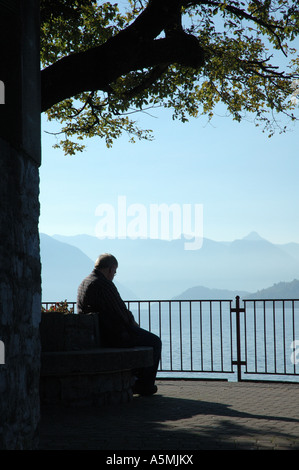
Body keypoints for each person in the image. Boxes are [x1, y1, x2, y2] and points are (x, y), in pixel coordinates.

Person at [77, 253, 162, 396]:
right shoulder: (103, 284)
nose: (114, 275)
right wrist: (133, 324)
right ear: (110, 268)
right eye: (114, 272)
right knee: (154, 342)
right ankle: (144, 384)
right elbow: (119, 310)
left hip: (97, 333)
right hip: (113, 335)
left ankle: (136, 379)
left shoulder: (85, 282)